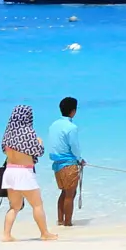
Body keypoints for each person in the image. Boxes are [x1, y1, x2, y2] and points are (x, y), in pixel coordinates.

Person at [3, 104, 56, 242]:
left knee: (14, 207)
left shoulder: (8, 133)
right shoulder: (28, 132)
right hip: (24, 172)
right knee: (37, 205)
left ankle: (6, 235)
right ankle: (44, 233)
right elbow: (38, 152)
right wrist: (40, 142)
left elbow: (4, 150)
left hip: (9, 171)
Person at [44, 96, 85, 227]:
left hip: (56, 165)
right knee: (70, 195)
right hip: (68, 164)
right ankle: (68, 223)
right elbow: (74, 147)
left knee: (64, 193)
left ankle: (60, 220)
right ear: (73, 111)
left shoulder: (53, 125)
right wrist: (80, 159)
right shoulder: (71, 127)